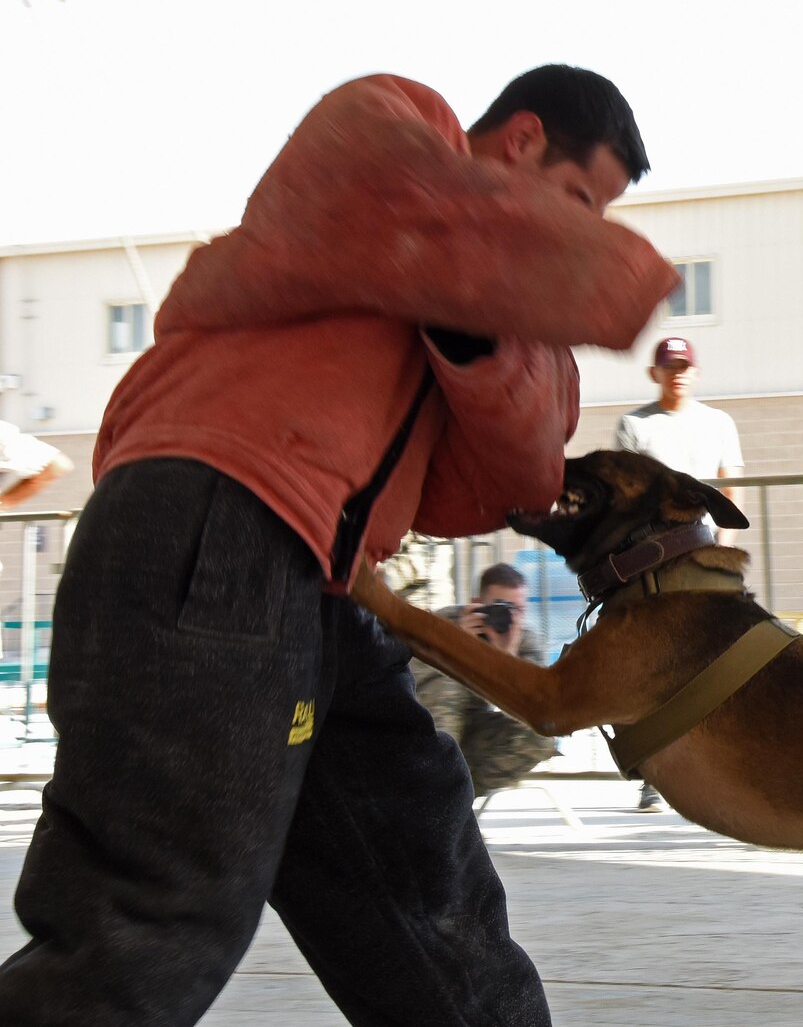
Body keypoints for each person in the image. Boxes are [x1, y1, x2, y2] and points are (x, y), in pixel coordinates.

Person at [0, 66, 677, 1026]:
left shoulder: (469, 297)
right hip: (212, 524)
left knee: (423, 889)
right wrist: (558, 286)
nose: (578, 234)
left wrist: (474, 331)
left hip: (320, 583)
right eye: (577, 204)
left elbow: (511, 473)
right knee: (149, 920)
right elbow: (425, 208)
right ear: (521, 139)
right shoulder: (393, 123)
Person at [612, 334, 743, 811]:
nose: (678, 373)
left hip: (704, 554)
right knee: (655, 663)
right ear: (655, 373)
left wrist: (725, 550)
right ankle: (653, 769)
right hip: (653, 560)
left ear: (697, 372)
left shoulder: (718, 422)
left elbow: (731, 486)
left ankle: (717, 766)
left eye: (685, 366)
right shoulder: (634, 426)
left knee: (715, 660)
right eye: (669, 366)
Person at [412, 564, 557, 798]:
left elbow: (539, 709)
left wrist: (507, 659)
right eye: (501, 607)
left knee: (541, 735)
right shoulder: (444, 623)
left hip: (473, 735)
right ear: (477, 602)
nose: (510, 617)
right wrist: (455, 646)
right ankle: (440, 797)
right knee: (445, 686)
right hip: (426, 737)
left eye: (518, 609)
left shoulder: (525, 641)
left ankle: (457, 797)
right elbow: (413, 683)